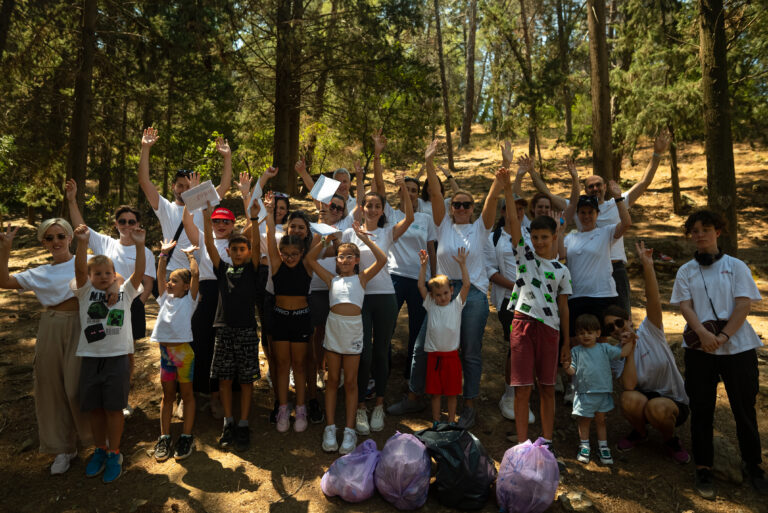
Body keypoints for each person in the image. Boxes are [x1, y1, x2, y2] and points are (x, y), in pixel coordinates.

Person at [389, 140, 503, 429]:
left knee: (469, 350)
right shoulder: (442, 224)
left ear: (472, 208)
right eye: (457, 204)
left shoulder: (480, 228)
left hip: (471, 292)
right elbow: (436, 192)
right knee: (422, 345)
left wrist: (501, 179)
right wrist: (429, 161)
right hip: (441, 292)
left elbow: (491, 203)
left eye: (466, 204)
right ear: (452, 208)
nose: (461, 207)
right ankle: (415, 396)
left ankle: (468, 404)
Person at [670, 210, 767, 499]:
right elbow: (685, 306)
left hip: (738, 348)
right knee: (702, 410)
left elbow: (743, 305)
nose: (700, 234)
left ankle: (754, 465)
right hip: (700, 350)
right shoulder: (686, 270)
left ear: (718, 232)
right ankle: (703, 468)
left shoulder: (736, 266)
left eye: (706, 228)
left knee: (744, 408)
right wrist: (703, 334)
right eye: (694, 230)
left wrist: (724, 336)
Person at [530, 132, 671, 313]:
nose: (595, 188)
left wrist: (657, 154)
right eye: (590, 186)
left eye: (598, 185)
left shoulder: (617, 203)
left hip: (615, 267)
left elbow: (644, 183)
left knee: (621, 318)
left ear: (605, 187)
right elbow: (548, 194)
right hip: (586, 270)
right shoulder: (579, 209)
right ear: (586, 190)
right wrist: (532, 172)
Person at [0, 218, 95, 475]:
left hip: (81, 323)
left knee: (76, 386)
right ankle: (63, 448)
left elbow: (100, 277)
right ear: (43, 242)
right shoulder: (40, 272)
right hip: (50, 325)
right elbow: (5, 282)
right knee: (49, 385)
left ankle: (92, 440)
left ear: (69, 238)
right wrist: (6, 248)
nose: (56, 242)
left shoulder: (86, 259)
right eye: (49, 238)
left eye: (60, 236)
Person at [66, 180, 156, 417]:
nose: (127, 225)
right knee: (101, 347)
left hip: (129, 304)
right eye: (122, 221)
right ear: (116, 224)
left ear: (138, 224)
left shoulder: (144, 250)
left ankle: (122, 398)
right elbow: (81, 229)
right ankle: (100, 394)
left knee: (127, 353)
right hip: (98, 306)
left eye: (132, 222)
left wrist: (138, 302)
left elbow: (146, 281)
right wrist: (72, 200)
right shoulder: (105, 243)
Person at [500, 165, 571, 464]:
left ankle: (547, 442)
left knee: (546, 388)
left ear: (555, 236)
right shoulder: (524, 258)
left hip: (551, 330)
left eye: (545, 237)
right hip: (522, 325)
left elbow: (564, 306)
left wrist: (566, 343)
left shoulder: (562, 270)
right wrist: (507, 188)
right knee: (521, 388)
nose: (540, 242)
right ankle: (521, 446)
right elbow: (515, 223)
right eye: (536, 237)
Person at [72, 224, 145, 484]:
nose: (103, 277)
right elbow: (80, 269)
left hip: (117, 358)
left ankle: (115, 453)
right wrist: (82, 243)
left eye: (108, 273)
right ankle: (99, 450)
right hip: (91, 358)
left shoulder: (124, 293)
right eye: (98, 273)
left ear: (115, 275)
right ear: (90, 277)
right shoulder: (84, 293)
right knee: (95, 409)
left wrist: (139, 244)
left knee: (114, 408)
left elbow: (138, 273)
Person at [306, 225, 387, 454]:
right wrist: (325, 241)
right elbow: (310, 260)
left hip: (353, 330)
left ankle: (349, 430)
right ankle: (330, 428)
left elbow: (381, 260)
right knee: (332, 380)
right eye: (341, 256)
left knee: (351, 382)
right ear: (336, 260)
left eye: (349, 256)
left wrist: (364, 239)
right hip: (334, 328)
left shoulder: (361, 279)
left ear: (357, 260)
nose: (344, 260)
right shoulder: (331, 280)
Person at [343, 177, 413, 436]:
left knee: (382, 352)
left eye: (377, 206)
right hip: (359, 298)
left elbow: (411, 219)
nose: (372, 209)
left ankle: (380, 403)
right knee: (364, 353)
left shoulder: (387, 232)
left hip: (385, 296)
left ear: (382, 210)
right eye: (368, 205)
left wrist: (404, 190)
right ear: (361, 208)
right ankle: (361, 405)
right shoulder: (350, 232)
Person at [609, 241, 690, 464]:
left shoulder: (650, 330)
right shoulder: (618, 353)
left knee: (658, 407)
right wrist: (629, 350)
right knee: (627, 399)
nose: (617, 329)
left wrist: (648, 265)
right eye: (610, 328)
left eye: (619, 322)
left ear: (628, 320)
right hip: (644, 401)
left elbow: (652, 299)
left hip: (673, 402)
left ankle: (670, 440)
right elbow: (629, 386)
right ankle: (640, 433)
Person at [369, 130, 438, 381]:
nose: (409, 193)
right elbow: (378, 186)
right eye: (405, 189)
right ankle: (382, 370)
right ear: (399, 193)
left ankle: (412, 376)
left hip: (420, 278)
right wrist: (377, 155)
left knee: (417, 329)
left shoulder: (425, 218)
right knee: (385, 327)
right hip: (394, 277)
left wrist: (435, 274)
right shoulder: (391, 214)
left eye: (413, 190)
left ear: (417, 195)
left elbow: (431, 248)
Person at [203, 200, 261, 453]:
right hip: (223, 329)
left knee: (246, 380)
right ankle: (228, 423)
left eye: (242, 249)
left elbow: (258, 246)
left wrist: (256, 221)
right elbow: (208, 244)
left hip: (247, 329)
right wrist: (207, 218)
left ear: (248, 252)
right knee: (225, 378)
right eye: (234, 249)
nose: (238, 253)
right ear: (228, 252)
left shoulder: (254, 270)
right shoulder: (222, 269)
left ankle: (244, 423)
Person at [138, 127, 232, 277]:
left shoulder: (203, 204)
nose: (184, 190)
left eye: (188, 187)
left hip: (201, 272)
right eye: (180, 186)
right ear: (173, 186)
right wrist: (145, 148)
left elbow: (225, 186)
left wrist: (227, 157)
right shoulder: (165, 207)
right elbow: (144, 181)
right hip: (173, 272)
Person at [263, 192, 316, 433]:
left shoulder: (307, 262)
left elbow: (317, 242)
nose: (290, 258)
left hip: (302, 318)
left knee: (300, 365)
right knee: (282, 364)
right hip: (280, 318)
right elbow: (269, 237)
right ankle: (283, 407)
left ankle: (302, 407)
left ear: (302, 253)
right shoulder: (276, 262)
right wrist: (267, 212)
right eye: (286, 254)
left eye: (294, 255)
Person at [182, 195, 235, 419]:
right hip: (204, 296)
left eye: (226, 222)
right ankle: (189, 395)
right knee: (196, 346)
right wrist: (191, 197)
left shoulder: (238, 243)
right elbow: (187, 223)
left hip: (227, 297)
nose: (221, 225)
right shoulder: (203, 237)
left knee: (220, 350)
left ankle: (216, 397)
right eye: (216, 221)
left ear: (233, 225)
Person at [559, 178, 631, 335]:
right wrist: (559, 231)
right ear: (577, 215)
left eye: (590, 212)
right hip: (577, 296)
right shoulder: (570, 238)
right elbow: (560, 256)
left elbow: (626, 223)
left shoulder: (606, 232)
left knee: (601, 339)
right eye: (582, 213)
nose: (586, 216)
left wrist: (619, 198)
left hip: (603, 295)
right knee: (577, 340)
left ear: (597, 214)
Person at [151, 241, 200, 462]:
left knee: (187, 395)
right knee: (168, 395)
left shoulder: (190, 301)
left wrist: (190, 256)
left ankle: (186, 436)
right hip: (165, 354)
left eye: (174, 281)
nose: (169, 283)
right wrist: (163, 254)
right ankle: (164, 437)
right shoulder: (164, 299)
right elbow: (160, 274)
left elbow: (196, 276)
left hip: (183, 353)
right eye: (169, 280)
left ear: (186, 286)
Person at [565, 314, 635, 465]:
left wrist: (631, 341)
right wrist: (566, 367)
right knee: (584, 420)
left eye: (590, 332)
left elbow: (623, 353)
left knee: (601, 420)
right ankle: (584, 446)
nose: (586, 336)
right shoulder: (576, 351)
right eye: (582, 333)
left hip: (602, 392)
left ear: (598, 333)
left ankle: (603, 447)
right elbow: (572, 371)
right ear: (577, 335)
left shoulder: (604, 348)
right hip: (584, 393)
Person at [417, 248, 469, 426]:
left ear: (452, 290)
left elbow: (467, 285)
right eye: (438, 295)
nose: (442, 297)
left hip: (452, 357)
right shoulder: (430, 305)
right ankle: (437, 421)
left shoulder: (456, 305)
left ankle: (451, 421)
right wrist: (423, 267)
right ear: (432, 296)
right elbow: (421, 286)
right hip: (434, 357)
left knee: (452, 393)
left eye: (446, 293)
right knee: (435, 393)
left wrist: (462, 265)